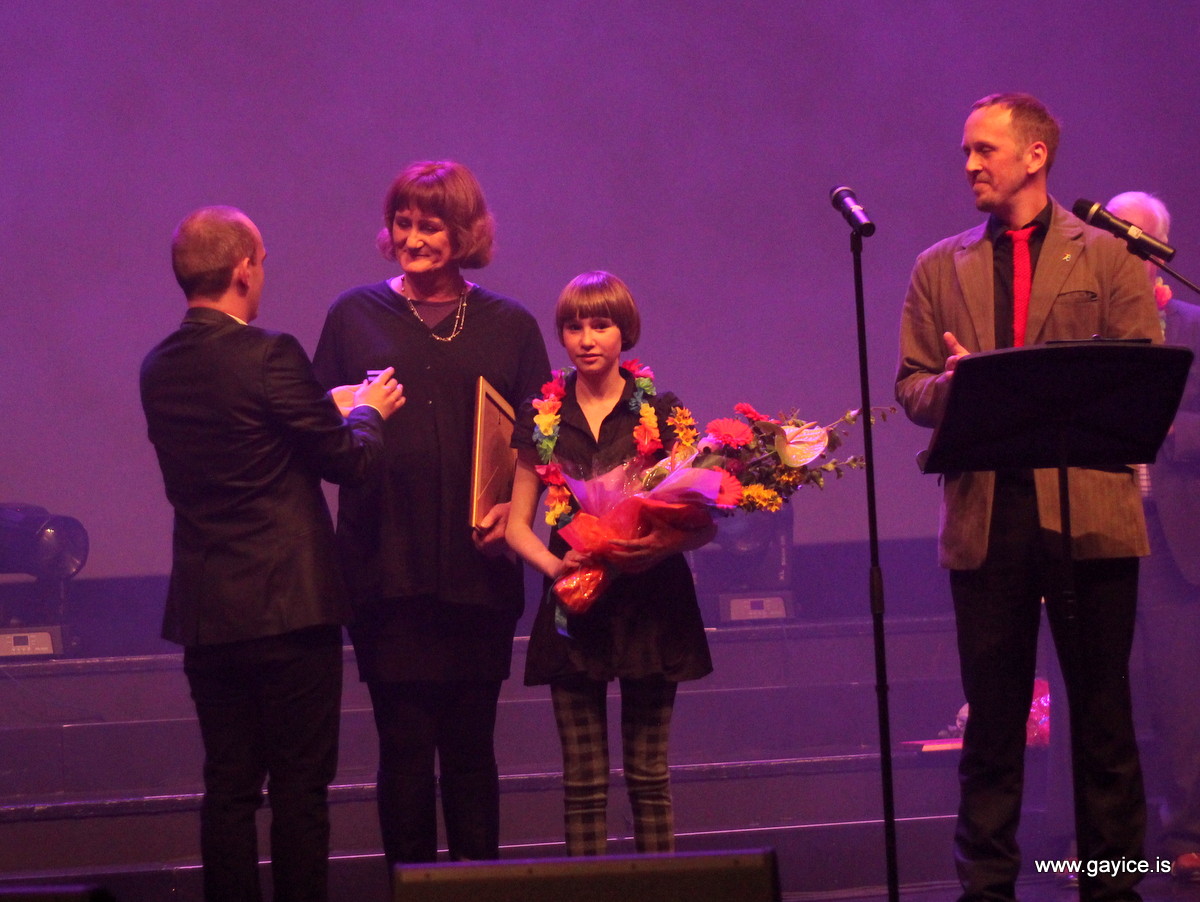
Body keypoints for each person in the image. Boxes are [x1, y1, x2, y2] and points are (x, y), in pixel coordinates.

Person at [894, 94, 1160, 902]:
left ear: (1036, 156)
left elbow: (1139, 365)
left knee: (1105, 719)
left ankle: (1113, 884)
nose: (970, 165)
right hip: (988, 517)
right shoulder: (940, 265)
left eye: (985, 150)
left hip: (1089, 512)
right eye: (966, 152)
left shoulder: (1107, 254)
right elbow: (908, 385)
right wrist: (952, 386)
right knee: (994, 721)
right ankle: (987, 890)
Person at [140, 205, 405, 902]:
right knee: (298, 790)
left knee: (228, 788)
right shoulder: (268, 353)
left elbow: (250, 435)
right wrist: (370, 410)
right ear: (242, 269)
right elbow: (347, 461)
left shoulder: (158, 367)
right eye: (262, 260)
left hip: (209, 610)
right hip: (290, 611)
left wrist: (327, 404)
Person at [312, 161, 550, 868]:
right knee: (405, 751)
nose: (412, 237)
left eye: (430, 224)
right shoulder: (353, 314)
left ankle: (480, 887)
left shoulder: (510, 324)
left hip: (477, 574)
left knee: (472, 750)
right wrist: (348, 406)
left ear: (465, 231)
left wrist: (515, 512)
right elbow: (321, 422)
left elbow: (542, 442)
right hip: (387, 570)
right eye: (404, 222)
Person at [505, 271, 715, 855]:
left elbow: (702, 521)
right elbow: (518, 526)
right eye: (574, 326)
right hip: (577, 605)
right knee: (583, 785)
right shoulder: (542, 414)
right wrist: (557, 567)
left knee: (649, 779)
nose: (586, 338)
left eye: (601, 324)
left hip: (652, 604)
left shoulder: (662, 410)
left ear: (626, 332)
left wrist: (662, 545)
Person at [1107, 191, 1200, 881]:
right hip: (1103, 535)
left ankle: (1186, 837)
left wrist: (1170, 427)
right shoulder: (1087, 327)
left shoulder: (1193, 326)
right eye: (1118, 238)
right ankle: (1110, 850)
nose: (1129, 249)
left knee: (1182, 702)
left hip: (1175, 545)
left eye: (1142, 239)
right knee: (1109, 700)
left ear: (1163, 247)